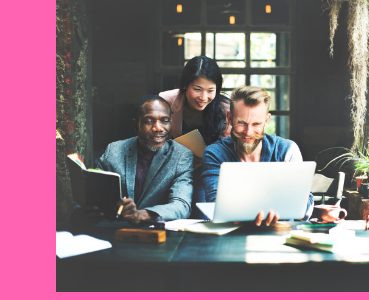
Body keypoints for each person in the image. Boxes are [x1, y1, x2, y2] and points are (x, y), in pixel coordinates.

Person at [71, 95, 194, 227]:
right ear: (136, 124)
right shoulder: (114, 150)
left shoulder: (181, 156)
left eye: (165, 121)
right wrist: (78, 212)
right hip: (114, 232)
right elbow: (93, 190)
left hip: (157, 235)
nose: (158, 128)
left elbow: (182, 205)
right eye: (149, 121)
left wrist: (142, 215)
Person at [201, 86, 314, 226]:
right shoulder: (215, 153)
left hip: (282, 236)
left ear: (266, 120)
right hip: (231, 237)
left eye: (256, 124)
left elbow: (306, 204)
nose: (248, 132)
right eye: (242, 123)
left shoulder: (287, 150)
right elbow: (215, 202)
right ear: (229, 118)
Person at [159, 55, 231, 218]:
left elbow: (228, 150)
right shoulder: (165, 101)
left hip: (208, 172)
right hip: (172, 170)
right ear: (185, 85)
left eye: (211, 90)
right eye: (197, 89)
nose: (203, 97)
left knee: (205, 214)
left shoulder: (225, 109)